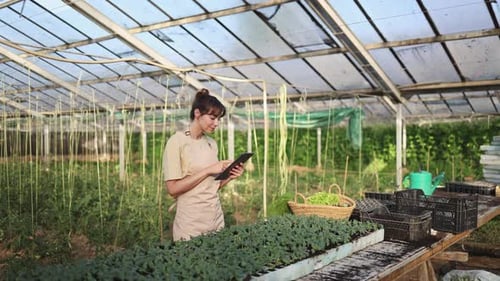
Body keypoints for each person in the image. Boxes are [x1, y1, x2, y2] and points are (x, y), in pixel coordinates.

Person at [163, 88, 245, 241]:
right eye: (213, 118)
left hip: (215, 218)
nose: (216, 123)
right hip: (191, 223)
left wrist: (230, 176)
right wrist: (208, 170)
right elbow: (173, 189)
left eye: (219, 119)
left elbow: (211, 186)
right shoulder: (177, 142)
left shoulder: (211, 143)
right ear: (197, 113)